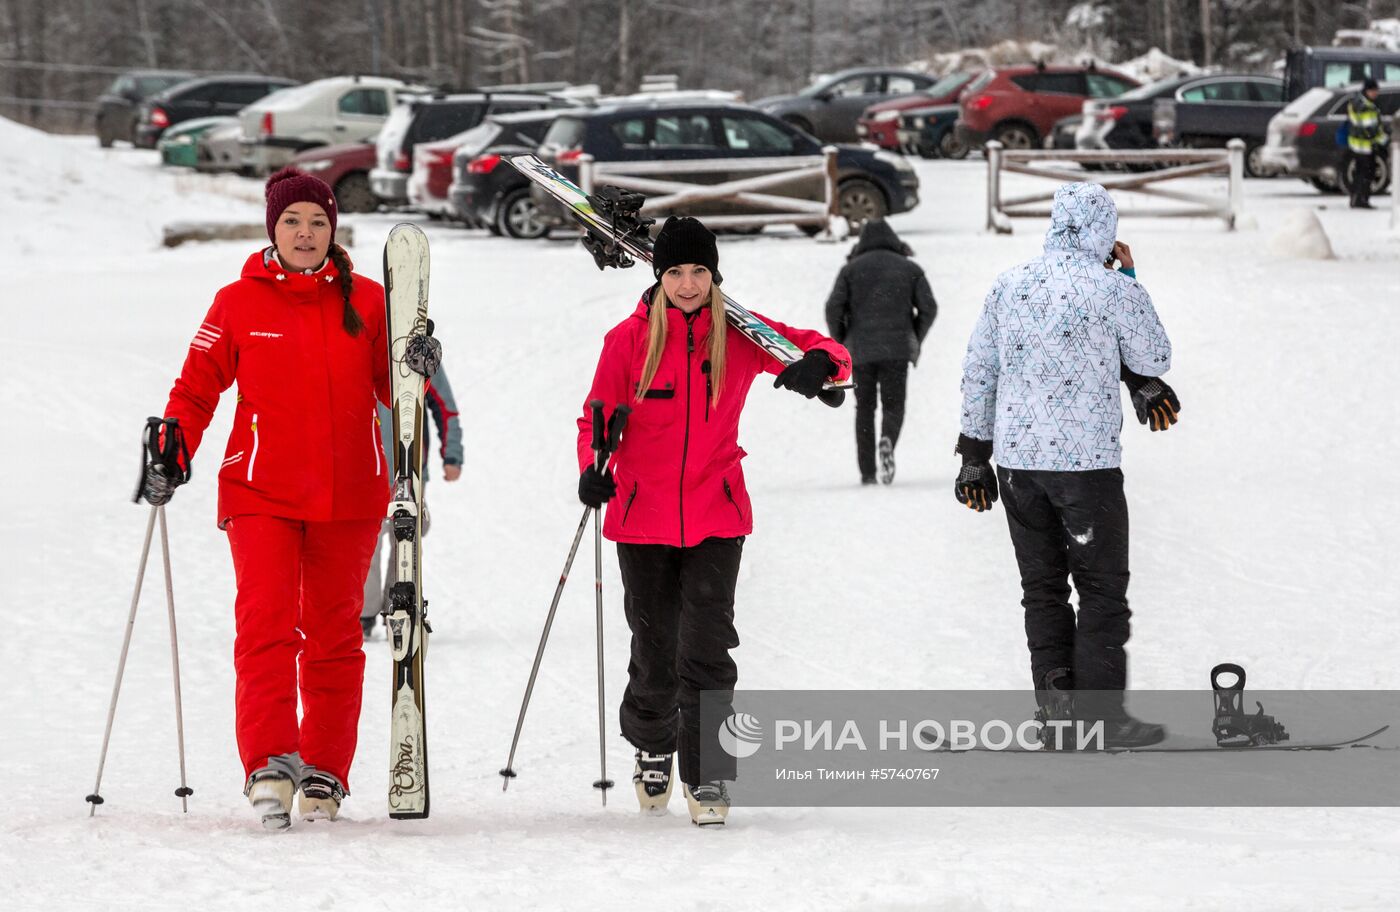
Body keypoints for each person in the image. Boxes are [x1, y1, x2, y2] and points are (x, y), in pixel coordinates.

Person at [139, 167, 440, 829]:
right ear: (273, 228)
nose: (306, 234)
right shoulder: (236, 301)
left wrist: (416, 366)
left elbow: (397, 396)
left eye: (318, 222)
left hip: (351, 493)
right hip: (260, 489)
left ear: (334, 231)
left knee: (335, 637)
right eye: (293, 221)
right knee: (268, 624)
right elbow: (196, 389)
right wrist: (173, 449)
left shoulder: (365, 299)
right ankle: (271, 763)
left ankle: (326, 770)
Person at [575, 216, 850, 825]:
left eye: (700, 270)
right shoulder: (629, 340)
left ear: (715, 274)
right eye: (675, 271)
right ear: (659, 276)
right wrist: (592, 467)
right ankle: (653, 747)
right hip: (639, 516)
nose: (689, 283)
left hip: (717, 514)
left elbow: (829, 350)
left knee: (707, 649)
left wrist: (818, 367)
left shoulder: (741, 335)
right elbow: (595, 416)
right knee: (654, 647)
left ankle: (709, 777)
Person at [954, 182, 1179, 750]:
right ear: (1105, 230)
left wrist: (973, 457)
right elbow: (1153, 357)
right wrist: (1128, 279)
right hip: (1087, 469)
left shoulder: (1009, 285)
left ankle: (1056, 713)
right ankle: (1102, 719)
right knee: (1102, 590)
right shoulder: (1110, 289)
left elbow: (980, 370)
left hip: (1018, 469)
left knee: (1043, 588)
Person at [824, 219, 937, 485]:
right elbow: (929, 308)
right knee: (893, 405)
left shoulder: (850, 270)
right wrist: (914, 336)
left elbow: (833, 309)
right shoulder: (910, 268)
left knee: (864, 408)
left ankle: (867, 472)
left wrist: (842, 342)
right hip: (897, 350)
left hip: (860, 351)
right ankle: (888, 440)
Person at [361, 369, 463, 640]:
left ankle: (399, 604)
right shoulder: (361, 344)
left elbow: (444, 405)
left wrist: (452, 453)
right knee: (367, 539)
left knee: (405, 538)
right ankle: (364, 612)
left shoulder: (416, 348)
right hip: (365, 465)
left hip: (411, 467)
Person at [1346, 78, 1389, 209]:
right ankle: (1361, 200)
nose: (1376, 93)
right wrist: (1385, 140)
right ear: (1367, 91)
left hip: (1357, 145)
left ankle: (1356, 199)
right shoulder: (1366, 107)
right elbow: (1370, 129)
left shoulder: (1356, 103)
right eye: (1374, 91)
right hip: (1365, 146)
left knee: (1359, 174)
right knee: (1366, 174)